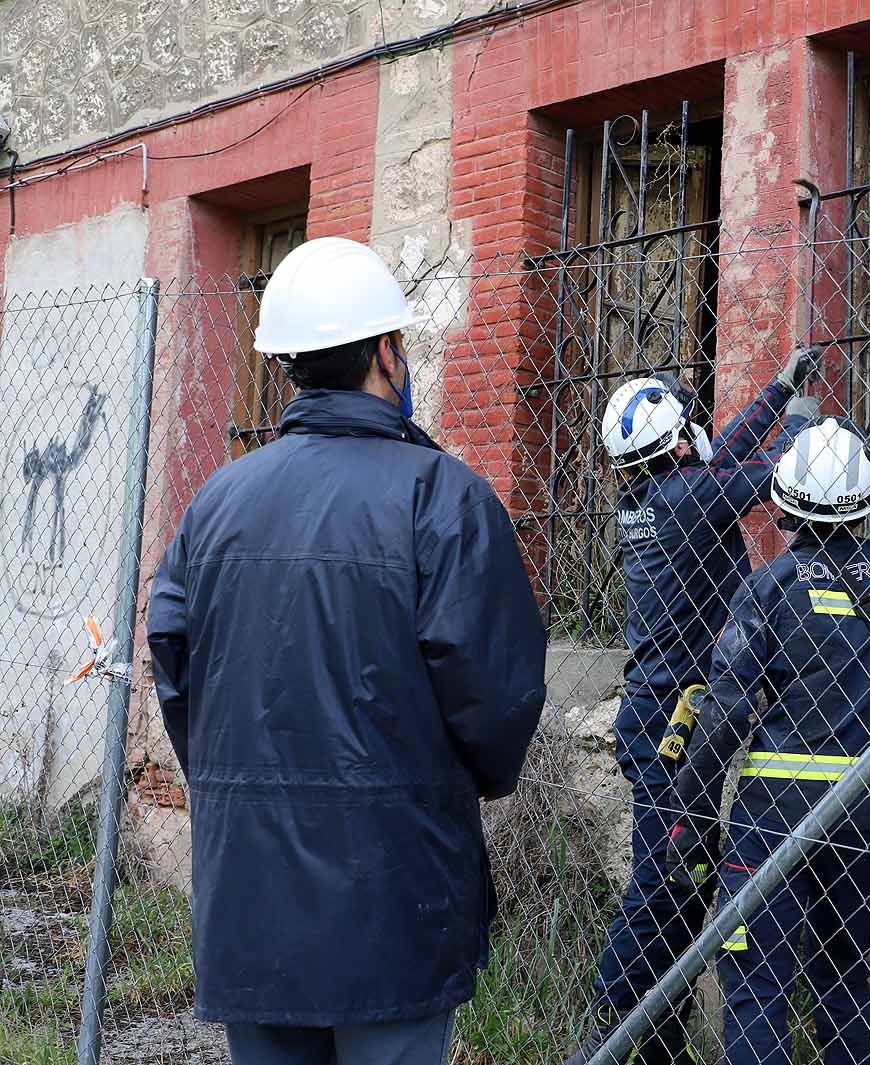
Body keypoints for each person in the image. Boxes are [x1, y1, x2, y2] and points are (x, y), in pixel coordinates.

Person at [147, 237, 548, 1065]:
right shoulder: (444, 498)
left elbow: (175, 664)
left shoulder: (216, 501)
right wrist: (470, 781)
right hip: (395, 903)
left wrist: (234, 780)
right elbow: (498, 697)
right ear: (387, 353)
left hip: (248, 902)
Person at [665, 419, 870, 1065]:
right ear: (865, 502)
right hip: (863, 812)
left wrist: (689, 816)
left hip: (773, 817)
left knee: (758, 987)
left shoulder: (770, 587)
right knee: (843, 978)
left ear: (781, 506)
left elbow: (724, 714)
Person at [567, 349, 821, 1064]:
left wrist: (777, 390)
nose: (699, 431)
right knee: (665, 882)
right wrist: (800, 425)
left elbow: (727, 459)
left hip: (663, 717)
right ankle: (607, 1022)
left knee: (685, 883)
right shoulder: (686, 499)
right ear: (677, 441)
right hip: (667, 728)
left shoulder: (655, 495)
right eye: (690, 425)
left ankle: (656, 1041)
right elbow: (767, 474)